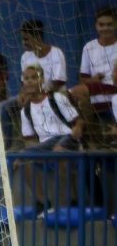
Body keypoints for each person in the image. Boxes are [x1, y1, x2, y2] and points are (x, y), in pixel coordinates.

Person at [18, 64, 84, 214]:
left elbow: (78, 122)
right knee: (23, 156)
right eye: (26, 78)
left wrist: (76, 132)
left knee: (59, 152)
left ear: (42, 80)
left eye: (34, 77)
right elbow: (29, 139)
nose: (29, 81)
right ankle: (43, 202)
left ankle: (72, 201)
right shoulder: (25, 110)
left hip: (67, 138)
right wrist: (30, 152)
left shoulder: (57, 98)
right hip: (46, 146)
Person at [1, 19, 68, 147]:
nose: (23, 42)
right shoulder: (25, 56)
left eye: (26, 39)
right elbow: (24, 83)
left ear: (37, 36)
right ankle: (8, 147)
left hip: (55, 93)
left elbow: (58, 82)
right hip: (32, 93)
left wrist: (36, 96)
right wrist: (22, 95)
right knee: (4, 107)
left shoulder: (56, 53)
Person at [69, 7, 117, 145]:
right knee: (70, 96)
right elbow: (83, 79)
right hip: (94, 88)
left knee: (76, 92)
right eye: (101, 24)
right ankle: (92, 142)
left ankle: (93, 143)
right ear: (96, 26)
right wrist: (93, 79)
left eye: (109, 24)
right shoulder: (89, 47)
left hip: (114, 90)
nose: (105, 28)